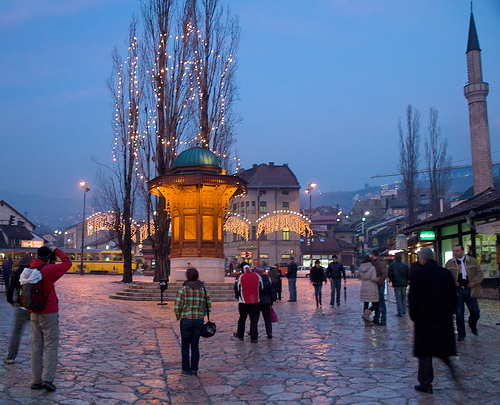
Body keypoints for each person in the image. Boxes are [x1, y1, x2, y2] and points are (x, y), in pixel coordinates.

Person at [409, 248, 458, 394]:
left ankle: (425, 383)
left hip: (424, 319)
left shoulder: (418, 274)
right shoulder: (445, 273)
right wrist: (450, 312)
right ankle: (453, 371)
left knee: (425, 352)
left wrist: (414, 316)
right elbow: (454, 296)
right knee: (443, 348)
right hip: (442, 317)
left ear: (422, 259)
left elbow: (413, 298)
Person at [28, 246, 72, 392]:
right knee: (51, 345)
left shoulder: (30, 269)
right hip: (49, 312)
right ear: (49, 257)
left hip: (33, 312)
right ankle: (48, 379)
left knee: (36, 346)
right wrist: (57, 250)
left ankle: (35, 380)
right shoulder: (48, 270)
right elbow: (67, 263)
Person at [174, 267, 211, 376]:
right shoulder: (203, 290)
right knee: (195, 345)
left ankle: (185, 369)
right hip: (198, 319)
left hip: (186, 319)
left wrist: (179, 316)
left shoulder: (183, 290)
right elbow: (208, 306)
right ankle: (194, 369)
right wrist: (202, 314)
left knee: (185, 345)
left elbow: (177, 306)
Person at [445, 244, 483, 341]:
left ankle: (472, 324)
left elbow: (479, 273)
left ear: (462, 251)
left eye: (457, 251)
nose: (455, 253)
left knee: (475, 311)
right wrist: (453, 282)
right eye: (454, 251)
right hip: (458, 291)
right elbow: (446, 276)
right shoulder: (450, 263)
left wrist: (474, 282)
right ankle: (461, 334)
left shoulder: (472, 261)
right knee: (459, 313)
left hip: (470, 289)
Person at [4, 254, 32, 364]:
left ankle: (11, 357)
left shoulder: (18, 273)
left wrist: (11, 301)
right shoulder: (35, 272)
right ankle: (40, 358)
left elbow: (10, 289)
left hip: (22, 306)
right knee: (39, 333)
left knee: (17, 332)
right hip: (34, 308)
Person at [233, 263, 263, 343]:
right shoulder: (257, 276)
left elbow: (236, 288)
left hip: (243, 301)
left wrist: (238, 296)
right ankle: (254, 337)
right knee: (253, 320)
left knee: (242, 318)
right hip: (254, 300)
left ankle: (240, 335)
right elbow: (261, 287)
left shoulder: (240, 276)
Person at [358, 255, 379, 326]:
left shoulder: (361, 268)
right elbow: (373, 278)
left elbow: (358, 276)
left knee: (365, 303)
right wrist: (378, 279)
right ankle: (367, 313)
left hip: (364, 286)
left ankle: (366, 319)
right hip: (371, 286)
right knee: (375, 303)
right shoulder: (372, 268)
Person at [388, 253, 410, 317]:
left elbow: (390, 274)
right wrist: (406, 280)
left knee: (398, 298)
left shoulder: (392, 265)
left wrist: (392, 280)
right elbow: (408, 274)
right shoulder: (405, 265)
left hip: (396, 284)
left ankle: (400, 312)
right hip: (404, 284)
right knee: (403, 297)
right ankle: (404, 311)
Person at [255, 267, 274, 339]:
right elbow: (271, 292)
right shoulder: (267, 281)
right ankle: (269, 332)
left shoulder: (256, 280)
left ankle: (253, 332)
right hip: (266, 301)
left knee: (255, 318)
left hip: (257, 301)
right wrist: (271, 302)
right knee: (267, 318)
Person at [371, 250, 388, 326]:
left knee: (381, 302)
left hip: (380, 284)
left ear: (373, 255)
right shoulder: (374, 262)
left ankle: (383, 319)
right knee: (376, 301)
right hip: (375, 284)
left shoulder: (380, 263)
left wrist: (379, 281)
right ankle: (376, 318)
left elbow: (384, 274)